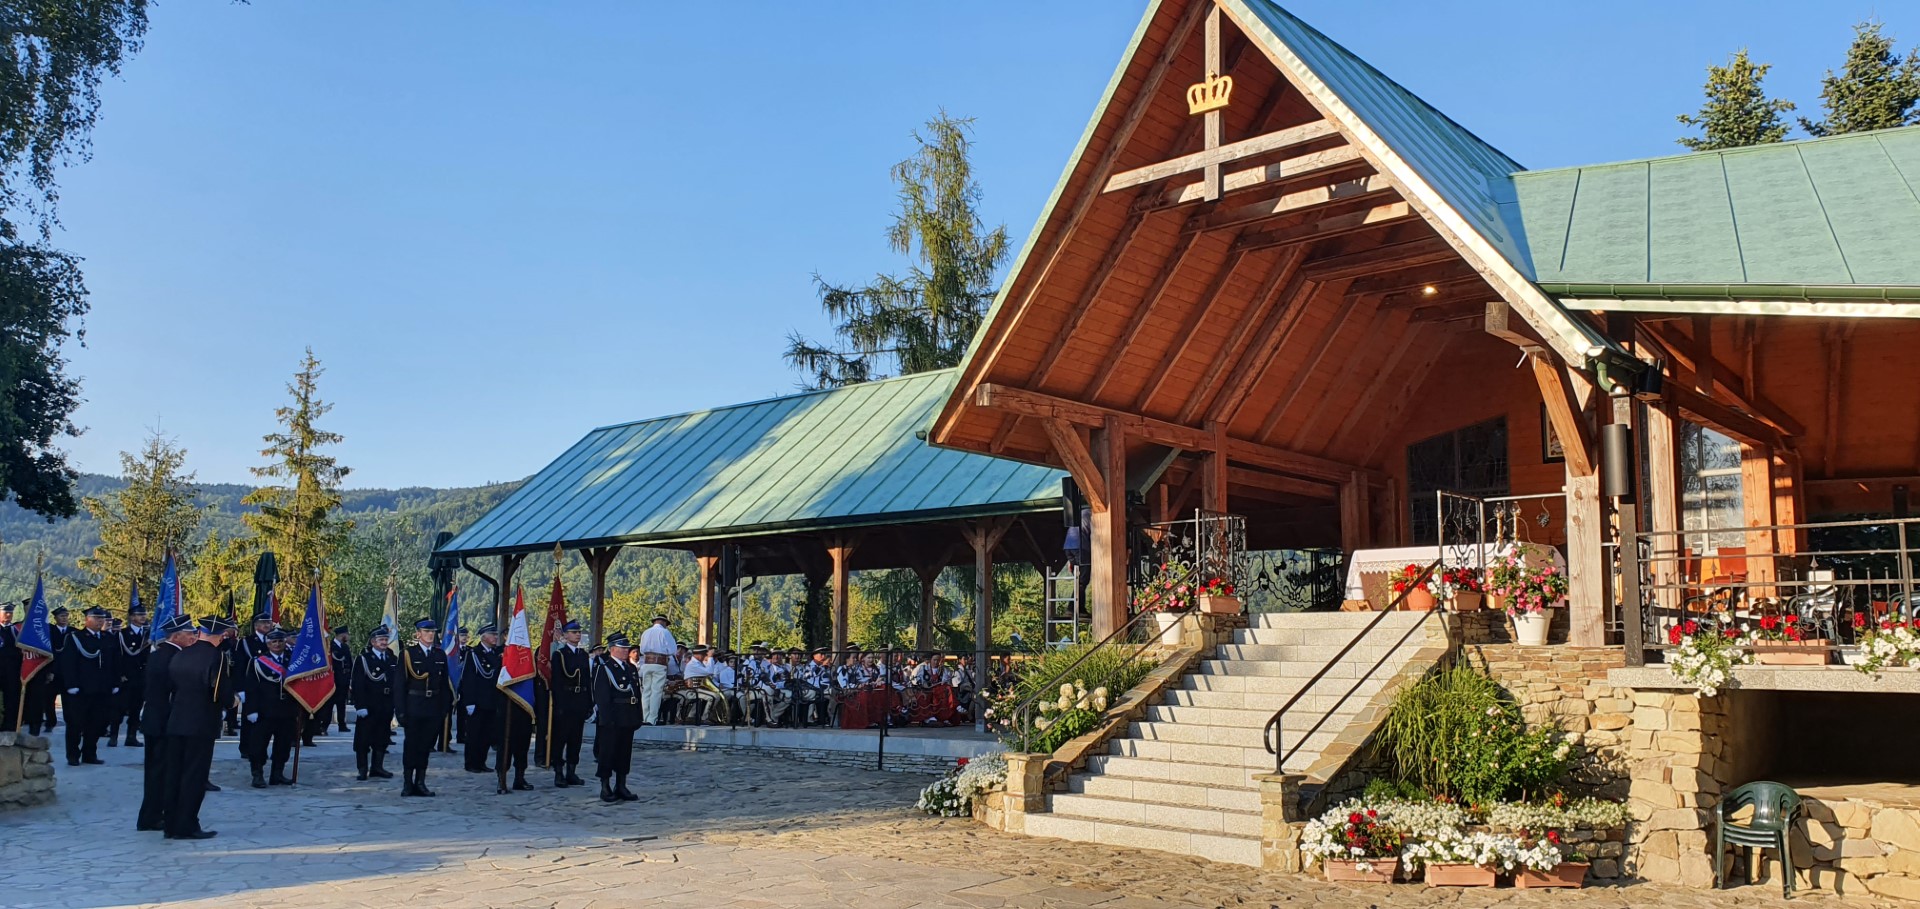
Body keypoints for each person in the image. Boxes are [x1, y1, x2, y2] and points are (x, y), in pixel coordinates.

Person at [164, 617, 234, 840]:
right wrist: (232, 702)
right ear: (219, 636)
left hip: (177, 720)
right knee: (195, 776)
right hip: (201, 722)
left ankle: (170, 824)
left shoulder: (181, 654)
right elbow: (218, 690)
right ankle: (187, 825)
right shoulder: (216, 656)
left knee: (175, 774)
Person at [136, 615, 195, 832]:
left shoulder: (160, 654)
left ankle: (151, 814)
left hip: (155, 720)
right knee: (161, 772)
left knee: (156, 770)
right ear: (176, 636)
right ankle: (153, 816)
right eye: (189, 634)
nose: (193, 637)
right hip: (165, 721)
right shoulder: (174, 657)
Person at [57, 606, 117, 766]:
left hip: (102, 688)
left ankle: (89, 753)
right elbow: (68, 663)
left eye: (102, 618)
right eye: (96, 618)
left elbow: (114, 662)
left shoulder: (108, 638)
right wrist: (71, 684)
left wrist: (115, 682)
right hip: (81, 689)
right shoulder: (76, 637)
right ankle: (73, 755)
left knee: (97, 723)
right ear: (87, 620)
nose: (100, 621)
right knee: (76, 724)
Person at [397, 618, 451, 797]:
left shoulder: (439, 655)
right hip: (414, 706)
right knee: (411, 746)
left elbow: (444, 685)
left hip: (433, 707)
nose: (430, 635)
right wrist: (400, 711)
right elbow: (400, 685)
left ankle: (420, 782)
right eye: (426, 632)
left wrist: (444, 709)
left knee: (425, 746)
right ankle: (407, 783)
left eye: (432, 632)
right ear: (418, 634)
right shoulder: (408, 654)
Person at [240, 629, 297, 788]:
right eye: (273, 642)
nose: (277, 644)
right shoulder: (258, 661)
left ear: (285, 642)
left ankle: (277, 774)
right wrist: (251, 710)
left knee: (284, 744)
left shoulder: (293, 660)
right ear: (268, 644)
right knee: (258, 745)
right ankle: (257, 774)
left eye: (280, 641)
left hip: (287, 709)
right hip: (264, 710)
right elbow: (251, 687)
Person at [591, 632, 641, 802]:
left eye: (627, 648)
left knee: (624, 753)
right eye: (622, 648)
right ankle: (605, 786)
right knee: (607, 752)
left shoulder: (630, 668)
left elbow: (636, 693)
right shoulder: (605, 668)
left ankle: (621, 785)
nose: (626, 650)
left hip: (628, 715)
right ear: (612, 649)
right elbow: (602, 696)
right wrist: (606, 719)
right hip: (612, 717)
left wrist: (638, 716)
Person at [350, 625, 397, 781]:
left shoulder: (391, 658)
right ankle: (362, 769)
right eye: (380, 639)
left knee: (382, 737)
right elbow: (358, 684)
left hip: (386, 703)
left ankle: (377, 767)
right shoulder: (364, 659)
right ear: (373, 642)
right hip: (369, 704)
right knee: (363, 739)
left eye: (385, 639)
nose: (384, 642)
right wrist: (360, 705)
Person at [547, 620, 590, 788]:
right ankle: (558, 772)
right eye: (573, 632)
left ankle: (571, 771)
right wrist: (559, 705)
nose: (577, 635)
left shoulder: (583, 655)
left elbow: (586, 680)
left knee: (576, 739)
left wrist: (589, 703)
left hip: (579, 700)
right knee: (560, 738)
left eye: (579, 632)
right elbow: (557, 682)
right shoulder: (560, 655)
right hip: (565, 701)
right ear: (565, 635)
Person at [460, 624, 502, 773]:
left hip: (491, 700)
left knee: (486, 734)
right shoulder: (473, 654)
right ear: (483, 637)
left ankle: (481, 762)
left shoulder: (495, 653)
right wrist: (469, 702)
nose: (495, 637)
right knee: (474, 734)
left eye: (496, 634)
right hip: (477, 701)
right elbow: (468, 679)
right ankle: (471, 763)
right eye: (492, 634)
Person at [115, 605, 150, 747]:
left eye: (144, 614)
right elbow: (117, 656)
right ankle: (114, 735)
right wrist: (121, 674)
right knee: (120, 708)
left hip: (141, 677)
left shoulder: (148, 634)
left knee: (136, 708)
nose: (143, 617)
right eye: (139, 614)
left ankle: (131, 736)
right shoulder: (122, 634)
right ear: (131, 617)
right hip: (127, 677)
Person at [634, 614, 675, 728]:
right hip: (659, 663)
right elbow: (672, 650)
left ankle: (645, 717)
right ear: (664, 622)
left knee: (646, 690)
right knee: (656, 691)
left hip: (647, 663)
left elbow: (642, 649)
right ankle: (652, 718)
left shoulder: (646, 632)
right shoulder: (665, 632)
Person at [326, 625, 352, 734]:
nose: (348, 636)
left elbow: (349, 662)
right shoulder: (330, 647)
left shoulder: (345, 647)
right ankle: (324, 725)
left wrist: (349, 678)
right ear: (342, 635)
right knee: (329, 705)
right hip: (333, 680)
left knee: (342, 704)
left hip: (344, 680)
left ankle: (342, 724)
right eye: (347, 634)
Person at [449, 627, 471, 749]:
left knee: (464, 711)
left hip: (465, 685)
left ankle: (462, 735)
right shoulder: (453, 651)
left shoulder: (470, 651)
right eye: (462, 635)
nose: (464, 638)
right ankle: (446, 738)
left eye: (466, 636)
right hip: (453, 684)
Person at [0, 600, 19, 734]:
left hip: (12, 672)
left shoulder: (15, 631)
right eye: (6, 612)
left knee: (11, 699)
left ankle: (10, 725)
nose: (8, 615)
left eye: (11, 613)